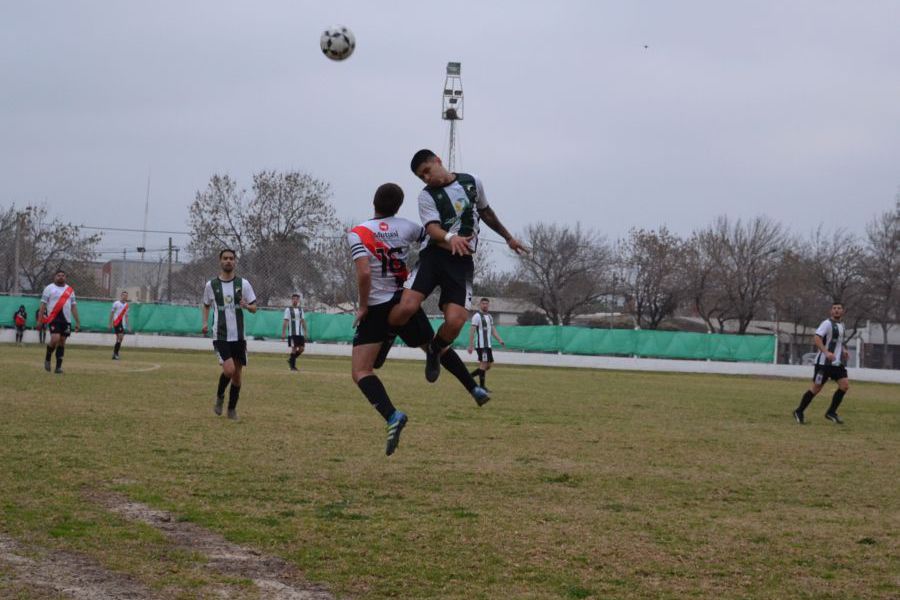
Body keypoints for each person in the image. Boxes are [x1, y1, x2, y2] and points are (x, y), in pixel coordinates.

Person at [349, 183, 490, 456]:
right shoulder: (408, 227)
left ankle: (392, 415)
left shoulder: (358, 232)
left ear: (373, 201)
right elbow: (433, 241)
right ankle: (473, 388)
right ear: (398, 206)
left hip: (378, 307)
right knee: (435, 348)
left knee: (362, 371)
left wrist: (363, 306)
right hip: (404, 302)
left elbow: (364, 274)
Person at [387, 149, 527, 383]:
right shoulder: (426, 196)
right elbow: (431, 228)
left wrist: (508, 237)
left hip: (461, 264)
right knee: (406, 307)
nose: (426, 178)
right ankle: (385, 337)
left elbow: (486, 212)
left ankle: (435, 350)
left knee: (455, 322)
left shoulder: (472, 182)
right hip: (434, 256)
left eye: (427, 171)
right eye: (421, 177)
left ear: (438, 161)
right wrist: (451, 238)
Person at [201, 249, 258, 420]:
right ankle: (219, 397)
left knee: (237, 376)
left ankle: (231, 409)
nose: (228, 261)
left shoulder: (244, 284)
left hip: (239, 336)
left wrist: (247, 305)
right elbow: (206, 305)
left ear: (235, 262)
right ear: (220, 261)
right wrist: (205, 322)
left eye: (231, 258)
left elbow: (254, 308)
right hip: (221, 335)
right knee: (229, 369)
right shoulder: (211, 285)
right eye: (225, 258)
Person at [794, 301, 851, 425]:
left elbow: (839, 342)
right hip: (823, 364)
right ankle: (799, 411)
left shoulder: (842, 325)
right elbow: (817, 337)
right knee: (816, 388)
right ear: (831, 311)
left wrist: (844, 350)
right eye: (834, 308)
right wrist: (826, 352)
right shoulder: (826, 323)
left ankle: (831, 412)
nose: (836, 310)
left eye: (839, 308)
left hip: (836, 363)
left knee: (844, 385)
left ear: (843, 311)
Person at [37, 269, 80, 374]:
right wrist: (40, 320)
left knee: (62, 341)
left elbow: (73, 306)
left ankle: (58, 367)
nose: (61, 277)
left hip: (66, 319)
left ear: (65, 277)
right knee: (55, 338)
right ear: (55, 277)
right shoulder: (49, 288)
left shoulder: (70, 290)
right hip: (54, 318)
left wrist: (77, 321)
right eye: (58, 275)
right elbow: (43, 305)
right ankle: (48, 357)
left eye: (63, 275)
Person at [467, 297, 506, 391]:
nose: (485, 305)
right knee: (484, 364)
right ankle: (482, 387)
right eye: (483, 303)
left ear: (488, 305)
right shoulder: (476, 316)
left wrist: (500, 340)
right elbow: (472, 331)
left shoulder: (489, 316)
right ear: (480, 305)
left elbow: (492, 330)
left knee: (488, 365)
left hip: (488, 345)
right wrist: (471, 345)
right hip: (481, 345)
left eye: (486, 304)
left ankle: (468, 377)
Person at [281, 294, 308, 371]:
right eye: (293, 299)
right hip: (292, 333)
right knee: (294, 348)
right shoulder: (288, 310)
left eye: (296, 299)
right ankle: (293, 367)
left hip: (300, 333)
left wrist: (305, 332)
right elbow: (285, 321)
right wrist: (283, 333)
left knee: (302, 349)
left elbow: (303, 321)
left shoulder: (300, 310)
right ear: (291, 300)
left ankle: (291, 360)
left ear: (298, 300)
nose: (295, 300)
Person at [108, 291, 130, 360]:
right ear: (121, 296)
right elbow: (112, 313)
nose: (125, 297)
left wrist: (128, 325)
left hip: (122, 323)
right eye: (124, 295)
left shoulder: (127, 305)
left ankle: (115, 354)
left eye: (126, 296)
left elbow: (126, 316)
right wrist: (110, 323)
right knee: (120, 337)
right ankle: (116, 354)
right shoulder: (116, 303)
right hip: (116, 322)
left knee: (120, 339)